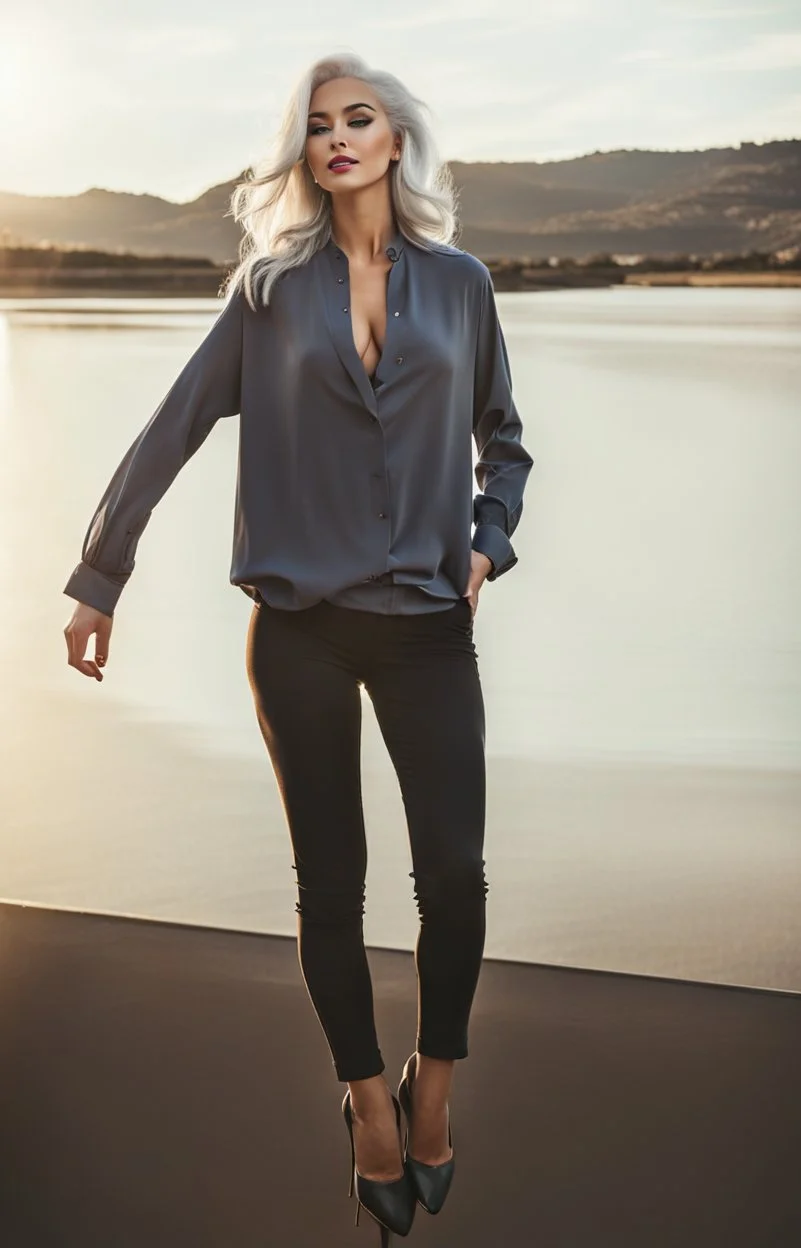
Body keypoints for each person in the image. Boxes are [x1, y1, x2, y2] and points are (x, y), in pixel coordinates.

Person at [62, 51, 533, 1246]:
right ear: (305, 150)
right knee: (332, 888)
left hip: (430, 626)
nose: (336, 138)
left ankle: (436, 1091)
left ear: (394, 142)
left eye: (357, 119)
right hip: (301, 635)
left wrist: (487, 540)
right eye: (317, 124)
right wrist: (99, 578)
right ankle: (369, 1107)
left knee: (458, 880)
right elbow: (167, 429)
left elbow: (506, 444)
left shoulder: (463, 286)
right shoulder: (267, 293)